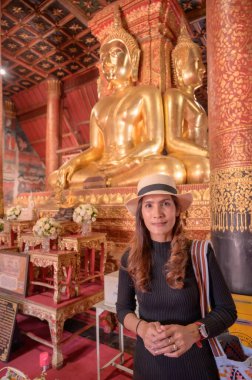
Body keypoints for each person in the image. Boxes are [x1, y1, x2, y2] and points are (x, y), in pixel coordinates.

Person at [48, 8, 186, 190]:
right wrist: (72, 164)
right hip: (101, 166)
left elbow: (154, 142)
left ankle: (108, 183)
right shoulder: (99, 106)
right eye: (103, 58)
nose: (107, 63)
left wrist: (122, 164)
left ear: (133, 59)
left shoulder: (146, 93)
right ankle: (104, 183)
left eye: (113, 55)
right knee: (55, 178)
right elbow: (96, 149)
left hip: (132, 164)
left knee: (172, 169)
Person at [116, 173, 237, 380]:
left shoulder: (199, 253)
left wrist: (193, 332)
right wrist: (142, 328)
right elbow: (123, 309)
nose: (157, 213)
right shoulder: (130, 257)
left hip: (195, 364)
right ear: (141, 214)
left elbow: (227, 311)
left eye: (165, 204)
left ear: (177, 209)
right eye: (149, 205)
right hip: (149, 365)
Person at [164, 25, 210, 183]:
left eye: (201, 63)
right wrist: (206, 153)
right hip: (185, 156)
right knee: (204, 168)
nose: (203, 69)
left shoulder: (198, 104)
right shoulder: (175, 95)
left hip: (201, 154)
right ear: (179, 65)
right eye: (196, 63)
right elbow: (172, 141)